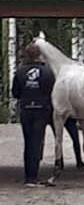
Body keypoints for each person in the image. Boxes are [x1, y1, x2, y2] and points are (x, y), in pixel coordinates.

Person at [11, 43, 55, 186]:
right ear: (39, 54)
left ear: (26, 55)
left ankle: (28, 176)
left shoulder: (20, 72)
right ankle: (33, 177)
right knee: (37, 141)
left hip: (26, 109)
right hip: (42, 109)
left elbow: (15, 93)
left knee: (28, 142)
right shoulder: (48, 72)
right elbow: (52, 90)